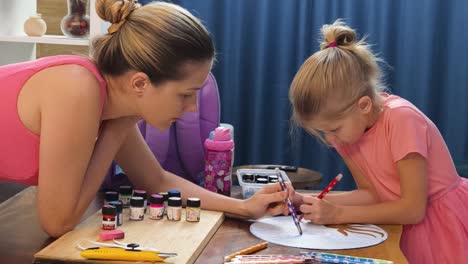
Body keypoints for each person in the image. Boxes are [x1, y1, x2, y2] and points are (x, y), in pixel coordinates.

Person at [0, 0, 289, 237]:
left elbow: (156, 179)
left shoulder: (110, 100)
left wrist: (245, 207)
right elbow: (57, 223)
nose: (191, 108)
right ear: (140, 84)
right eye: (185, 94)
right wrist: (115, 133)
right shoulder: (78, 89)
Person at [288, 20, 467, 263]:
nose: (331, 140)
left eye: (333, 130)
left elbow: (414, 209)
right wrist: (304, 200)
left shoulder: (402, 120)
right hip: (399, 223)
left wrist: (338, 213)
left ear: (364, 105)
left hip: (441, 226)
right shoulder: (350, 130)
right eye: (323, 132)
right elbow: (372, 194)